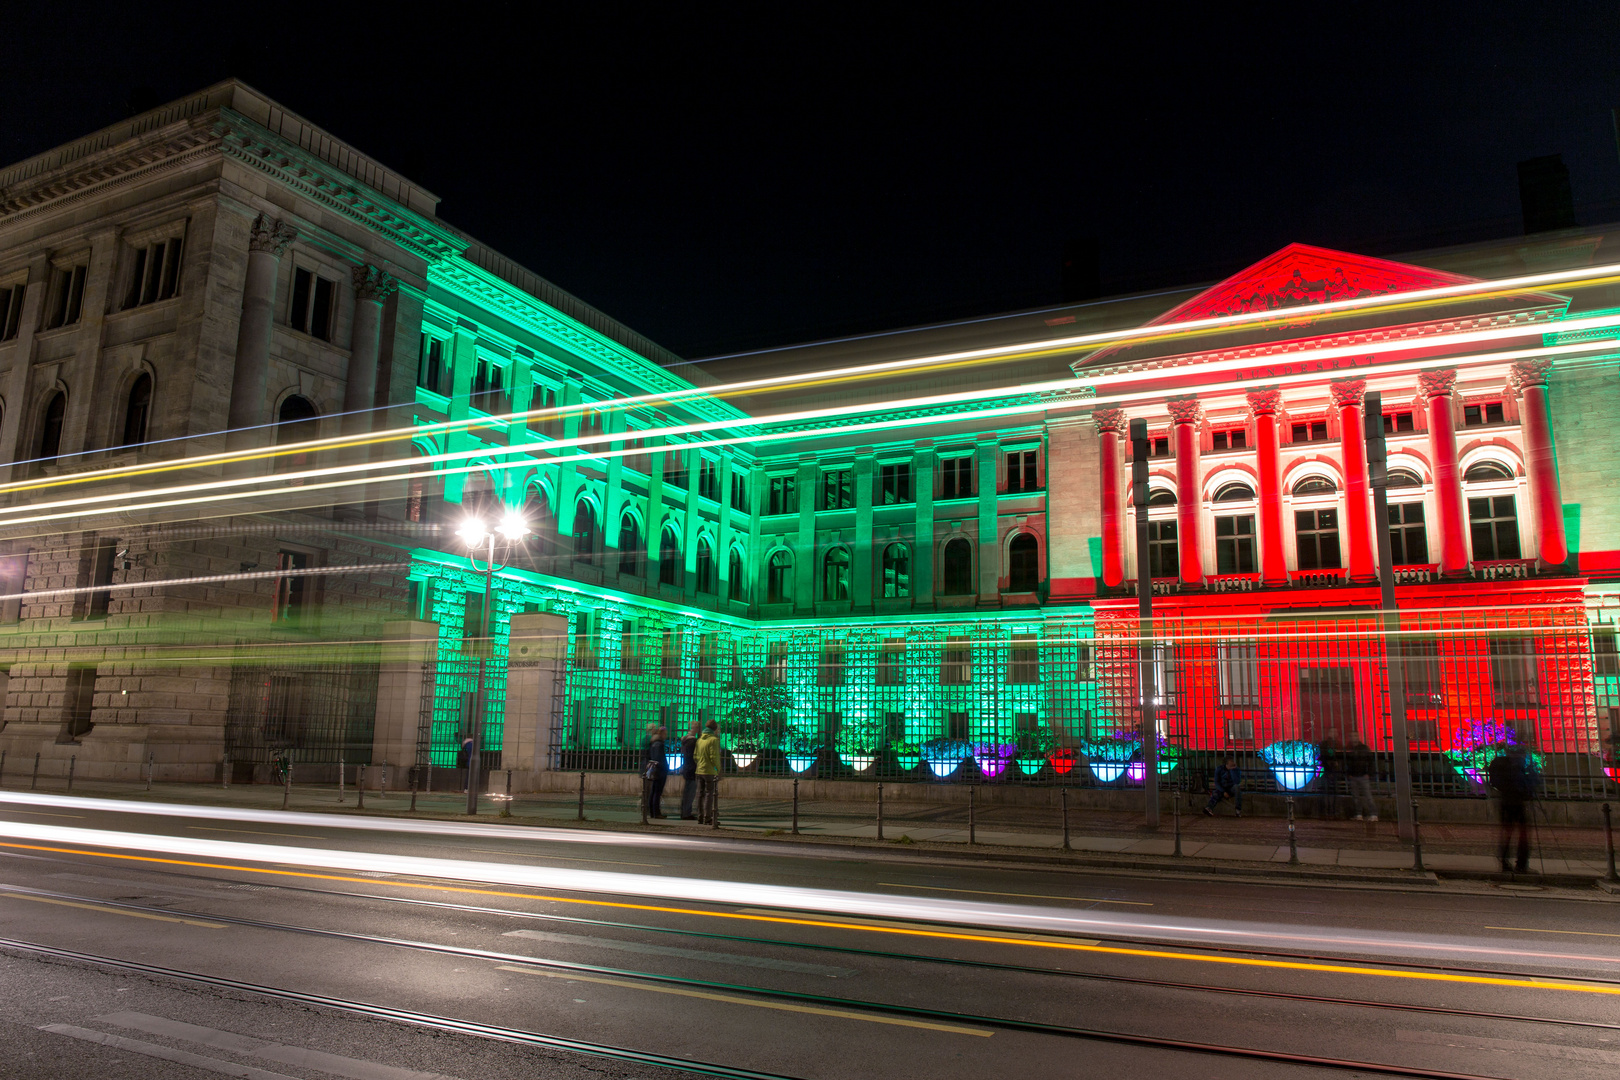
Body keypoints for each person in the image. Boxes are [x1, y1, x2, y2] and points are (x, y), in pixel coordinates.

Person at [1488, 742, 1536, 873]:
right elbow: (1527, 784)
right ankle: (1521, 864)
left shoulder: (1505, 765)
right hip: (1517, 802)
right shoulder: (1518, 766)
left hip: (1505, 802)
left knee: (1507, 833)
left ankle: (1504, 861)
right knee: (1523, 834)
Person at [695, 720, 721, 824]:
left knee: (700, 794)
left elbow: (695, 756)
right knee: (710, 794)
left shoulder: (700, 740)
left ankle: (700, 817)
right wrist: (718, 769)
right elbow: (714, 757)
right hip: (709, 771)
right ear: (714, 729)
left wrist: (700, 763)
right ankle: (708, 817)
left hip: (699, 770)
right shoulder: (713, 740)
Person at [1345, 740, 1378, 821]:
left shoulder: (1352, 750)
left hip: (1357, 775)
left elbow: (1349, 763)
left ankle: (1361, 814)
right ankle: (1370, 814)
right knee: (1365, 796)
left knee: (1360, 796)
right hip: (1360, 775)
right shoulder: (1362, 749)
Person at [641, 724, 668, 819]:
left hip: (656, 770)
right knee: (657, 792)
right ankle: (655, 812)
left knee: (654, 791)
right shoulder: (658, 744)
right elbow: (658, 759)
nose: (666, 736)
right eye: (665, 733)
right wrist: (665, 767)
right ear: (662, 734)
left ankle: (653, 812)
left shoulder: (653, 742)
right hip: (659, 771)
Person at [678, 721, 701, 819]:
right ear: (695, 728)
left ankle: (685, 811)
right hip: (692, 768)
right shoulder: (693, 741)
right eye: (697, 727)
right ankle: (686, 813)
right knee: (690, 792)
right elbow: (694, 757)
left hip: (686, 767)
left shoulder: (685, 740)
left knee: (687, 792)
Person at [1317, 735, 1342, 818]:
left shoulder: (1324, 751)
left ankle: (1327, 812)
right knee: (1331, 793)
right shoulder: (1330, 751)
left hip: (1327, 772)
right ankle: (1332, 812)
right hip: (1330, 772)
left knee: (1326, 793)